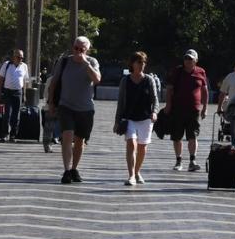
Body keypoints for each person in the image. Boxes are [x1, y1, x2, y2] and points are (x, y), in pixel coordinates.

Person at [47, 36, 102, 184]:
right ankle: (66, 170)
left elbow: (97, 79)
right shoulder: (64, 61)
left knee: (79, 140)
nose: (77, 52)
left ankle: (74, 168)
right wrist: (51, 103)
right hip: (66, 106)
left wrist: (85, 63)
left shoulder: (92, 62)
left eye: (81, 49)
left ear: (87, 50)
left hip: (85, 108)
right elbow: (54, 83)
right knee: (67, 135)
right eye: (75, 48)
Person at [114, 52, 159, 186]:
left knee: (142, 147)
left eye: (143, 62)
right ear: (132, 64)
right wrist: (117, 121)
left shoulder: (149, 80)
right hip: (130, 118)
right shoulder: (125, 81)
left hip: (145, 118)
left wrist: (154, 112)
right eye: (138, 62)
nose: (141, 65)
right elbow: (120, 102)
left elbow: (155, 99)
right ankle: (131, 175)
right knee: (131, 143)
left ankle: (137, 171)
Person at [164, 49, 208, 172]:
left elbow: (205, 91)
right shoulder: (177, 71)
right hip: (177, 109)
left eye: (190, 59)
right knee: (177, 136)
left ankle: (192, 161)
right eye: (186, 58)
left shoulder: (201, 72)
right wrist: (168, 105)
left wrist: (205, 107)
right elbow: (169, 89)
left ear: (196, 61)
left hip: (194, 110)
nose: (187, 61)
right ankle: (178, 161)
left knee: (193, 136)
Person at [0, 50, 28, 139]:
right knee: (7, 113)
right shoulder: (7, 64)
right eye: (18, 57)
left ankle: (13, 134)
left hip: (18, 92)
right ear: (14, 57)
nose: (20, 59)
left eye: (22, 57)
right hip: (8, 92)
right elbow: (0, 78)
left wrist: (24, 94)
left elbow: (24, 81)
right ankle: (4, 134)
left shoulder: (24, 66)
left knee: (16, 115)